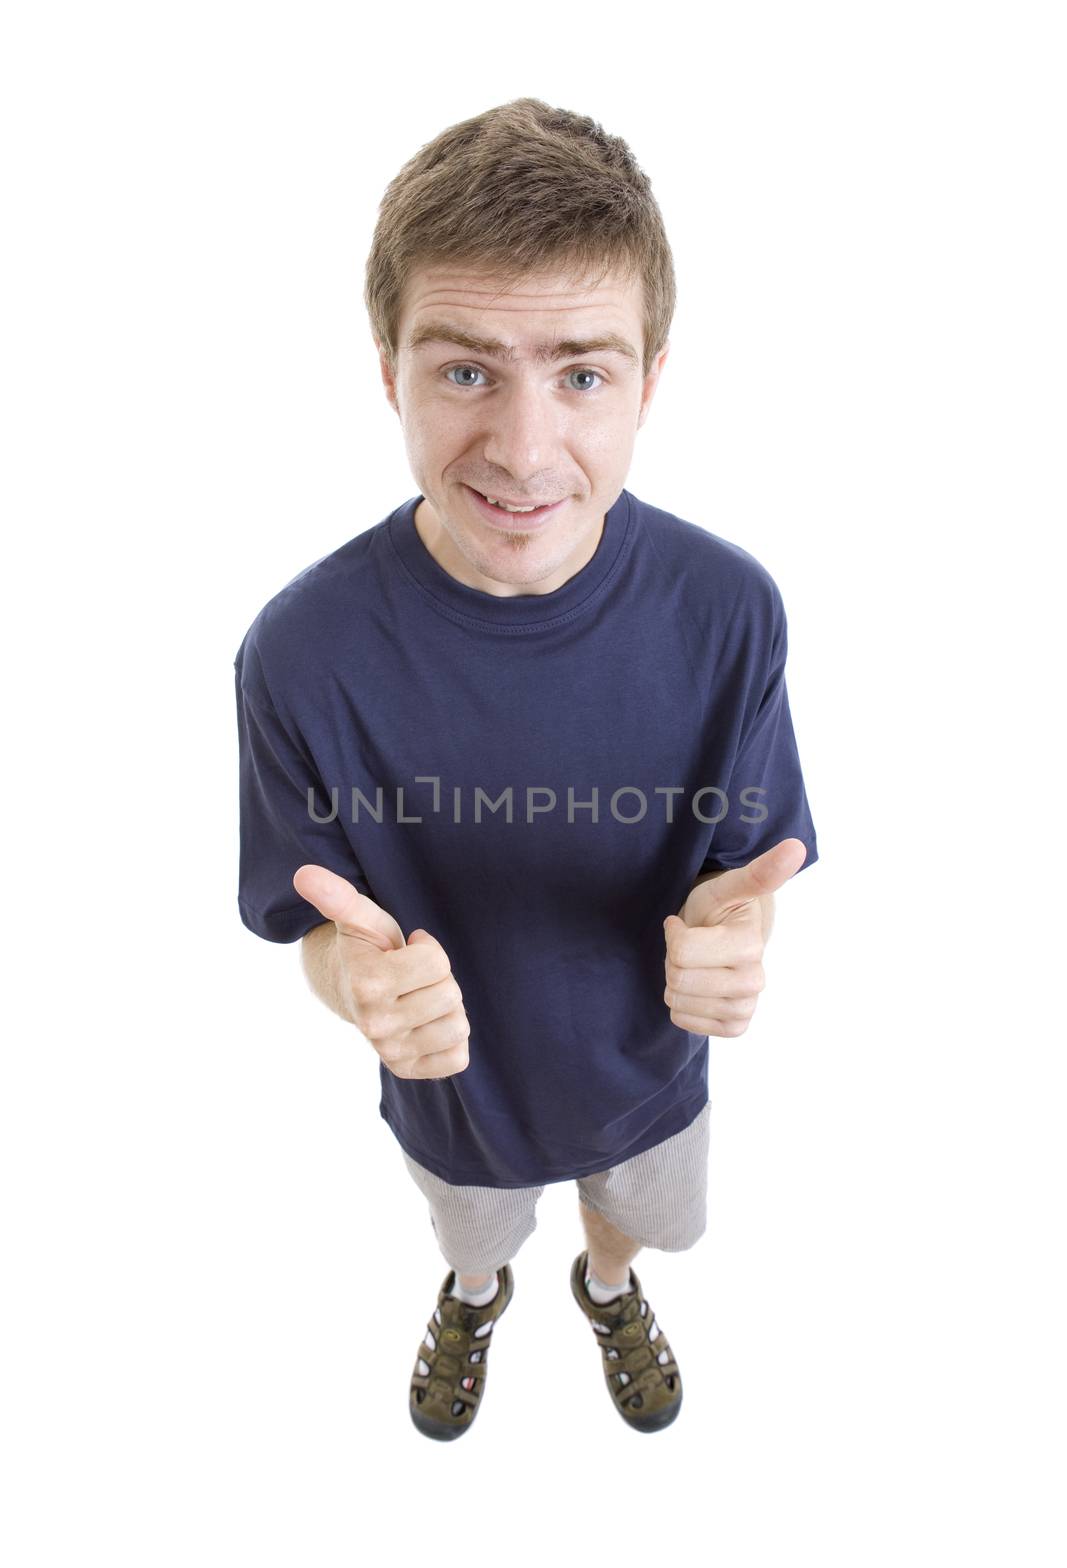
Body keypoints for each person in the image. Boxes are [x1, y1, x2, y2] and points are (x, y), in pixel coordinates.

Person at [233, 97, 819, 1439]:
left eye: (581, 372)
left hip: (648, 1081)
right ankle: (479, 1293)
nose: (523, 446)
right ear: (389, 367)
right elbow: (312, 929)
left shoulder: (728, 610)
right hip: (455, 1100)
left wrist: (746, 936)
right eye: (464, 370)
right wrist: (360, 995)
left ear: (650, 382)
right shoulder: (299, 654)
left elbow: (750, 868)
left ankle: (605, 1295)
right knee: (474, 1229)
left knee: (635, 1226)